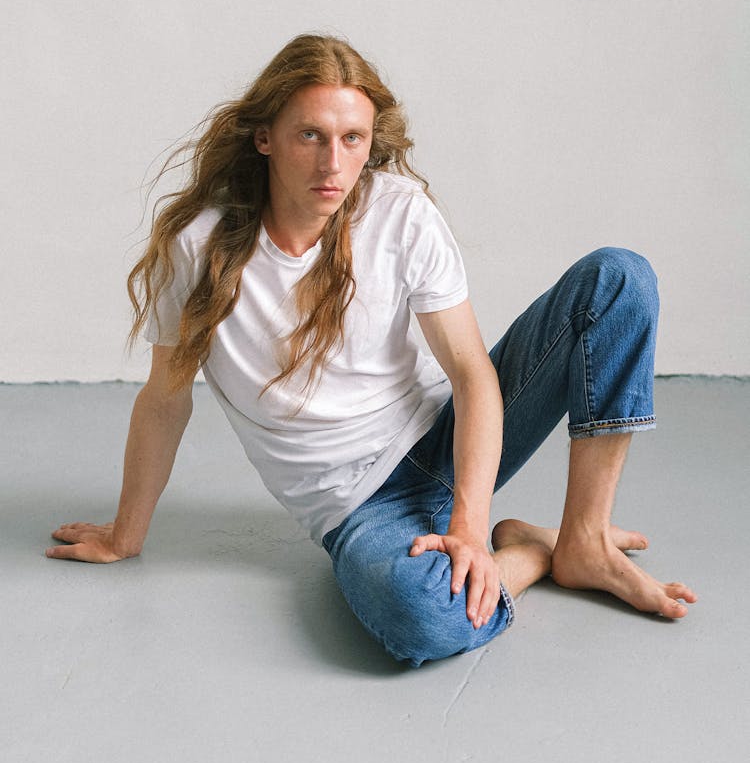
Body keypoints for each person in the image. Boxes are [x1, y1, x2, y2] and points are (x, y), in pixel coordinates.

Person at [46, 34, 697, 666]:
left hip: (443, 435)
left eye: (351, 138)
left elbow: (472, 375)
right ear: (265, 137)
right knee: (421, 619)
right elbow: (165, 399)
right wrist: (124, 533)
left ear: (369, 143)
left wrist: (471, 525)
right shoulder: (199, 249)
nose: (333, 162)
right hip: (360, 506)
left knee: (619, 279)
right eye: (312, 136)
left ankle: (583, 537)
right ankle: (531, 553)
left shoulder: (399, 212)